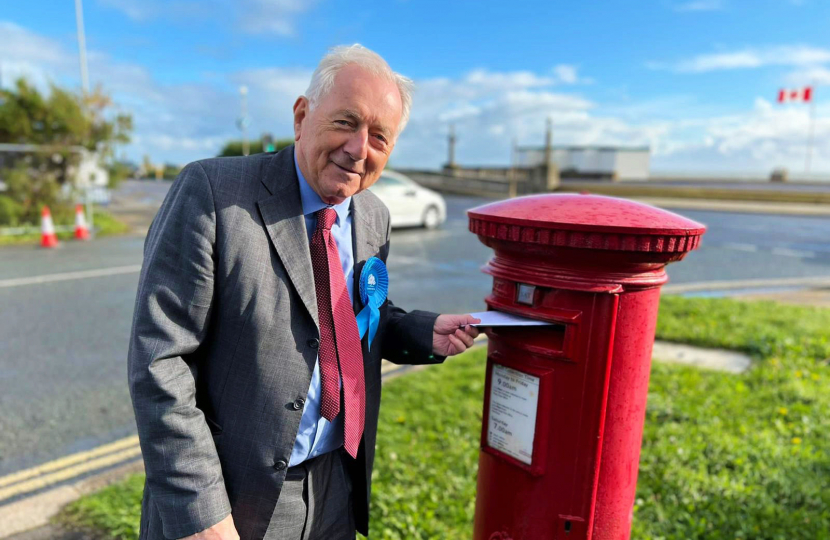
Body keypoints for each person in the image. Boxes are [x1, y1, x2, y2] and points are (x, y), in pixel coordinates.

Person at [127, 44, 480, 540]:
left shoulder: (373, 215)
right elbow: (160, 361)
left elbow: (350, 314)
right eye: (346, 122)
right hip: (232, 498)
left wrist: (423, 332)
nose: (360, 148)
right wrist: (201, 513)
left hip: (335, 486)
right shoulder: (212, 192)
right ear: (301, 116)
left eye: (379, 136)